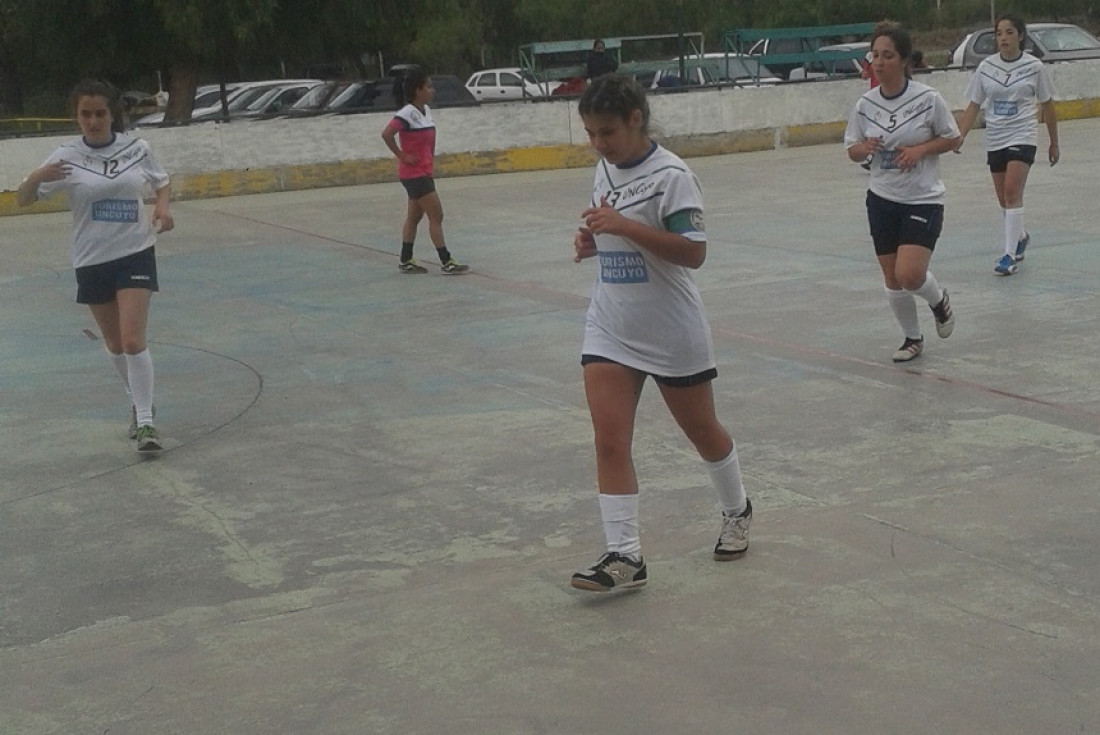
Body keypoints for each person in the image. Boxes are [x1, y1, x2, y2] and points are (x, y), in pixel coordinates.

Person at [569, 74, 752, 592]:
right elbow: (611, 230)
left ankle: (737, 509)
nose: (599, 144)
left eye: (607, 132)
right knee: (609, 441)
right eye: (590, 134)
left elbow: (693, 251)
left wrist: (624, 227)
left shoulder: (672, 175)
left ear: (635, 120)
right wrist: (592, 242)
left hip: (671, 330)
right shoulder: (604, 169)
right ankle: (624, 556)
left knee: (703, 433)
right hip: (611, 325)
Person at [16, 80, 173, 451]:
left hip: (135, 252)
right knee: (115, 343)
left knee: (133, 339)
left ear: (112, 114)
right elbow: (23, 199)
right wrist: (38, 176)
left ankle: (147, 422)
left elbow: (162, 181)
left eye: (99, 113)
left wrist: (163, 208)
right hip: (91, 260)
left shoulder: (137, 148)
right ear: (76, 117)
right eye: (85, 114)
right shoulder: (65, 157)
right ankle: (137, 402)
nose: (92, 121)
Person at [844, 24, 959, 363]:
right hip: (881, 198)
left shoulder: (928, 99)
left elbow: (952, 138)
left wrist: (920, 150)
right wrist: (864, 147)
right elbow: (851, 149)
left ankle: (939, 301)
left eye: (887, 56)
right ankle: (912, 338)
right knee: (892, 277)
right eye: (874, 55)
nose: (878, 63)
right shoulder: (865, 105)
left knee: (909, 275)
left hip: (922, 197)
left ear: (904, 60)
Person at [954, 14, 1060, 276]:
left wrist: (1054, 142)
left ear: (1020, 36)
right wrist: (960, 135)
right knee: (1004, 199)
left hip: (1022, 135)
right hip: (996, 138)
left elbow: (1047, 104)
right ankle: (1020, 236)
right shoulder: (986, 68)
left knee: (1013, 192)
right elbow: (974, 105)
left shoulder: (1034, 67)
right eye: (999, 33)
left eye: (1009, 32)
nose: (1003, 38)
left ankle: (1008, 255)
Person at [381, 69, 469, 275]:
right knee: (436, 215)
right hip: (415, 175)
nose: (432, 90)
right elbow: (387, 134)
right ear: (417, 90)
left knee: (414, 217)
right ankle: (446, 260)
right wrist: (402, 155)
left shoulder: (426, 111)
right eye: (428, 86)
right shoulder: (406, 114)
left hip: (423, 172)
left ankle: (406, 259)